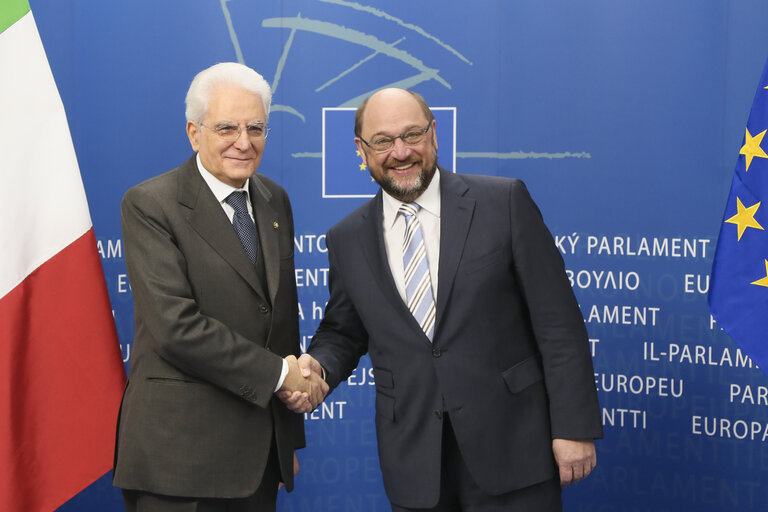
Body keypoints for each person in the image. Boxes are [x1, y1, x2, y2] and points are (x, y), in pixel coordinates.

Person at [280, 88, 602, 511]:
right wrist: (317, 367)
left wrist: (574, 427)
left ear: (434, 135)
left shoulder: (503, 202)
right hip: (415, 460)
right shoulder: (347, 238)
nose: (400, 152)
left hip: (514, 448)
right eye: (382, 141)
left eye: (412, 135)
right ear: (361, 150)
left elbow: (558, 323)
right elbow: (343, 331)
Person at [113, 62, 326, 512]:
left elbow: (276, 318)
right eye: (227, 127)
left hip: (260, 456)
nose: (243, 142)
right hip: (180, 463)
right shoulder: (151, 204)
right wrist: (278, 374)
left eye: (256, 127)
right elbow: (176, 328)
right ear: (194, 133)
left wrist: (288, 417)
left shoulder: (274, 198)